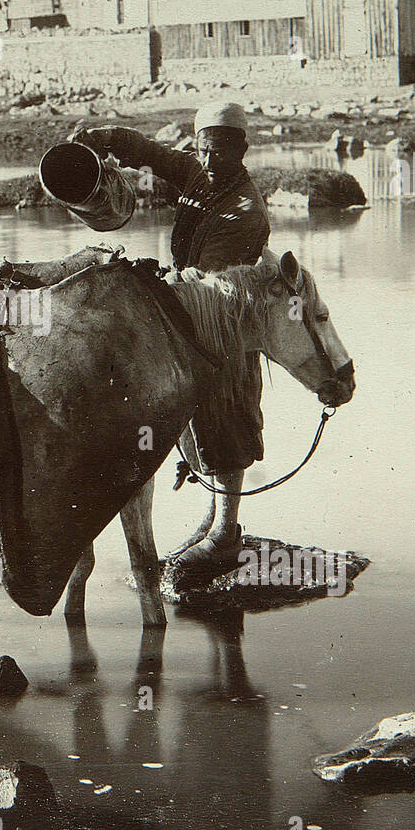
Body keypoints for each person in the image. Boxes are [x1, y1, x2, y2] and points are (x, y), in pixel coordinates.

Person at [69, 102, 271, 587]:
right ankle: (211, 517)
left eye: (220, 150)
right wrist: (100, 137)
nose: (209, 158)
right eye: (203, 147)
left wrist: (153, 284)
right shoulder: (197, 171)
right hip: (189, 311)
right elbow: (149, 152)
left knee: (228, 416)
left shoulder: (245, 209)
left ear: (241, 150)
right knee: (190, 415)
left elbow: (207, 281)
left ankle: (225, 530)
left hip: (225, 319)